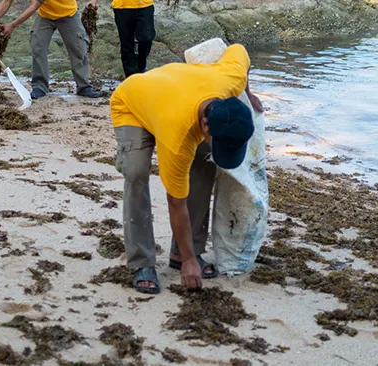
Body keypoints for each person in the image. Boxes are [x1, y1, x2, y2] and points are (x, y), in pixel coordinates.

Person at [109, 42, 263, 293]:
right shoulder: (178, 138)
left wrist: (250, 91)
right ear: (205, 125)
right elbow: (175, 202)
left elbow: (240, 50)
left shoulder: (229, 82)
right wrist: (191, 264)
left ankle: (181, 251)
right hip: (132, 104)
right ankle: (142, 261)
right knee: (136, 172)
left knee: (205, 162)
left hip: (170, 92)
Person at [0, 0, 100, 100]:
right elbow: (7, 0)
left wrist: (12, 25)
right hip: (46, 16)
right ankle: (40, 87)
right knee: (37, 47)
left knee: (78, 50)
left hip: (67, 15)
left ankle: (83, 87)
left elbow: (33, 7)